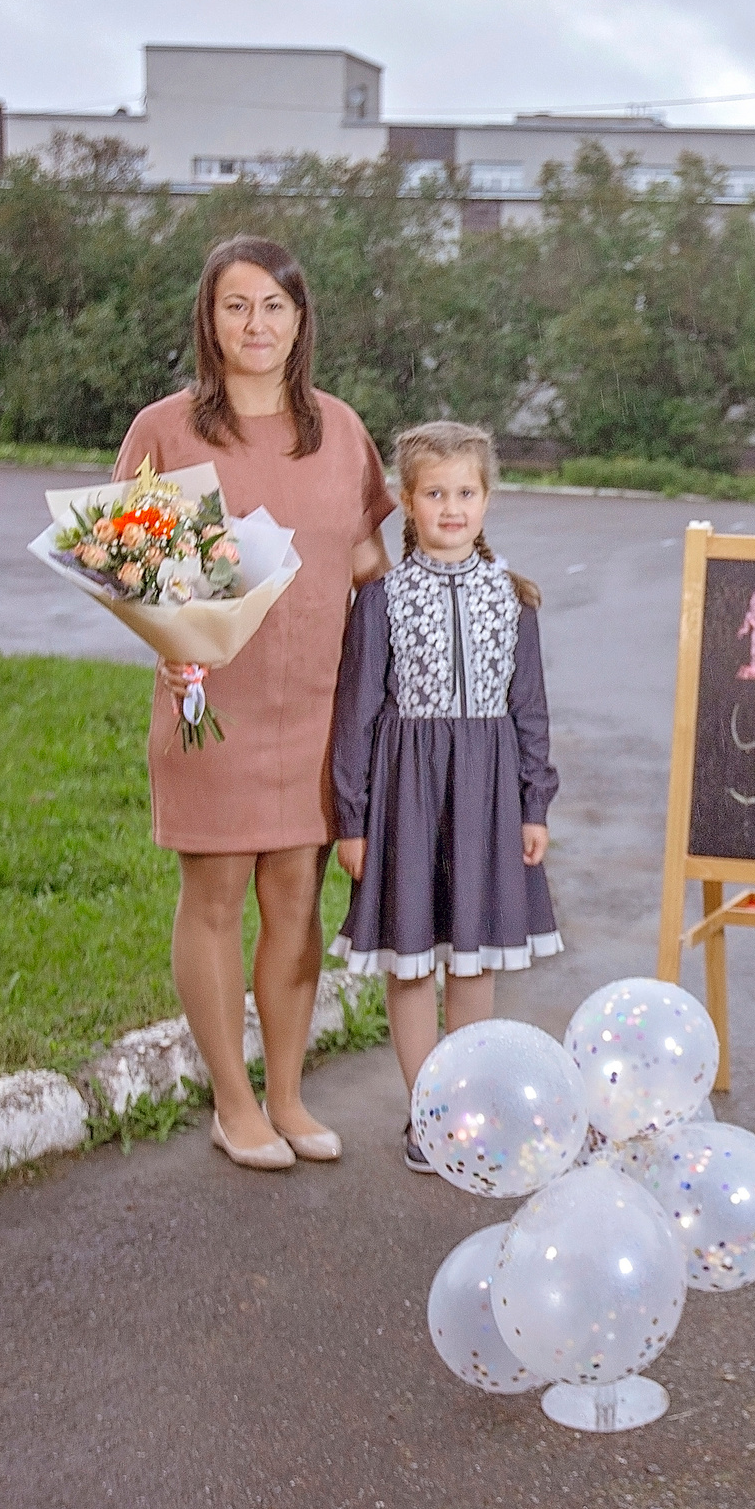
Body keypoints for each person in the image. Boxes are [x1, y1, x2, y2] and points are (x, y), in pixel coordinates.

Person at [115, 236, 396, 1172]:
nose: (256, 324)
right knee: (216, 895)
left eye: (274, 305)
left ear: (301, 319)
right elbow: (126, 569)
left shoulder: (339, 429)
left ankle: (287, 1095)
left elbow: (369, 566)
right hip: (214, 708)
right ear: (210, 319)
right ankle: (233, 1104)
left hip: (315, 709)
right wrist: (169, 645)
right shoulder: (165, 431)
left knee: (296, 898)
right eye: (236, 305)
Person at [328, 421, 563, 1174]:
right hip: (407, 796)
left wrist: (533, 803)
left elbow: (530, 709)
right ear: (407, 501)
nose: (452, 507)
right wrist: (353, 818)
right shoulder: (382, 600)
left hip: (486, 799)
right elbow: (357, 714)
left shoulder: (514, 597)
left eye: (466, 492)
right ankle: (425, 1113)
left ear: (487, 499)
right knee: (409, 961)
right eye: (435, 493)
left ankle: (465, 1109)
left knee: (471, 957)